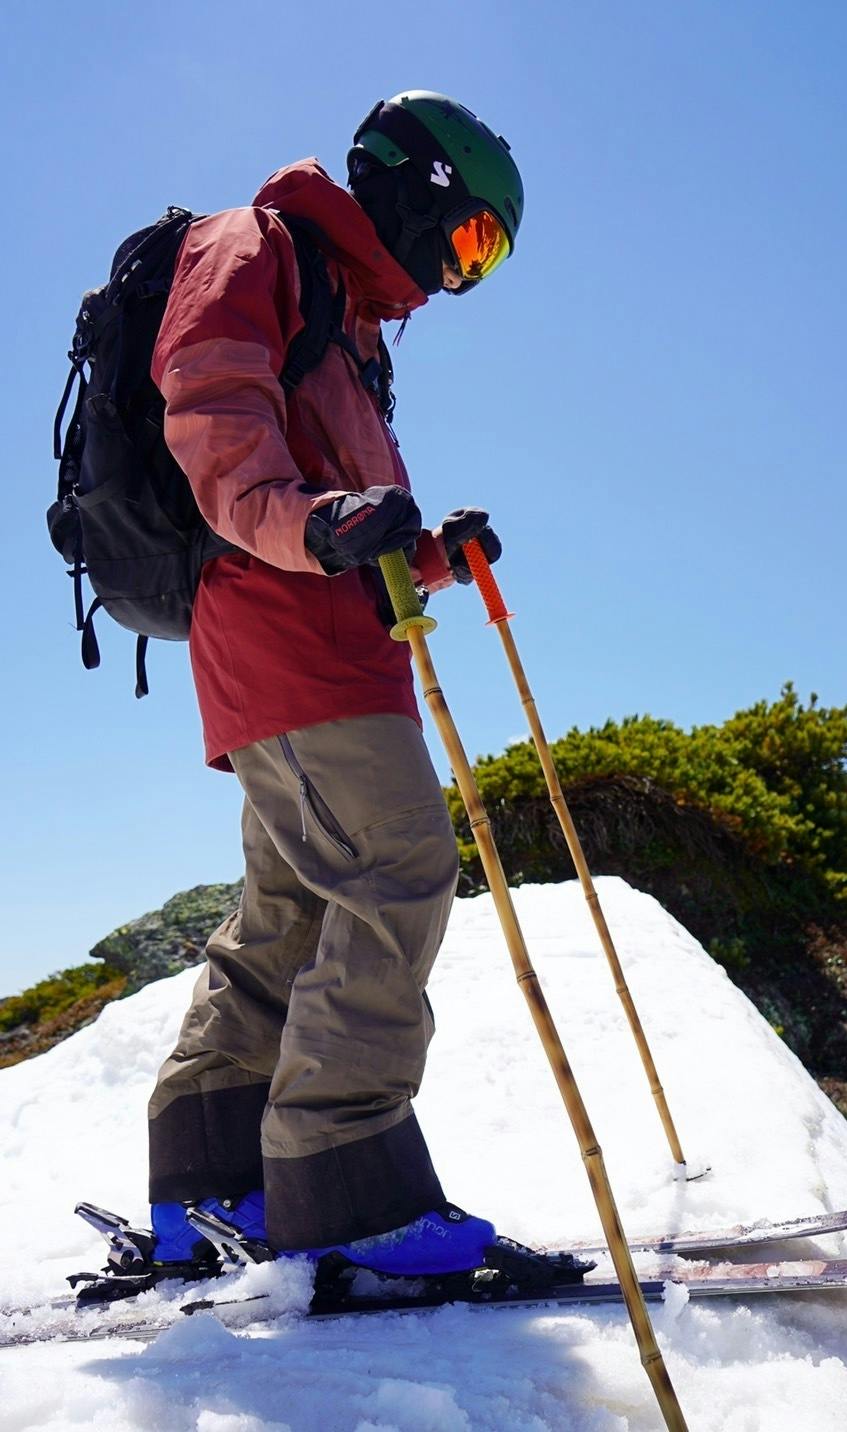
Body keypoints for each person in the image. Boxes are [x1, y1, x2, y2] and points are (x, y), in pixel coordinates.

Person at [143, 90, 524, 1276]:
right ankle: (343, 1186)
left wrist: (424, 553)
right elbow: (215, 423)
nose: (462, 278)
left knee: (295, 910)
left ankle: (209, 1180)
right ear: (416, 187)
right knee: (399, 868)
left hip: (319, 645)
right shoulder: (254, 246)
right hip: (289, 645)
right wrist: (316, 527)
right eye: (470, 242)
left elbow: (338, 510)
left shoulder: (349, 321)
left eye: (487, 261)